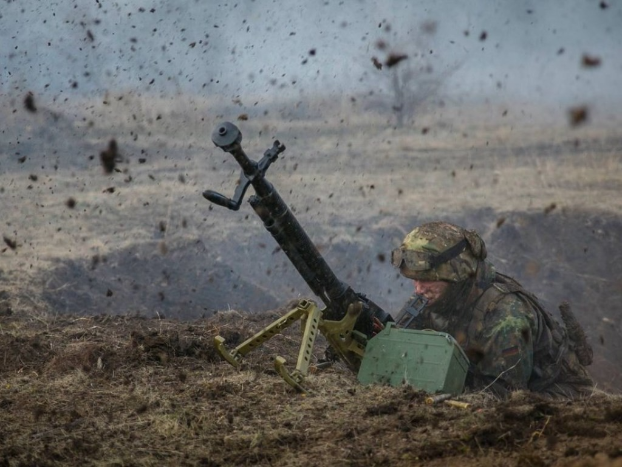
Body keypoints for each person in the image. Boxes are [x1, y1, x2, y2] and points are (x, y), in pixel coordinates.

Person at [390, 221, 595, 399]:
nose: (418, 289)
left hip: (556, 396)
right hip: (480, 381)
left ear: (457, 275)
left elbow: (502, 398)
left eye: (426, 279)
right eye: (414, 279)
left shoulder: (506, 317)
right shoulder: (436, 296)